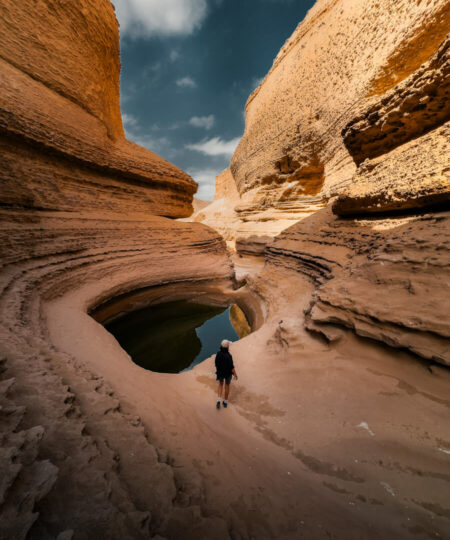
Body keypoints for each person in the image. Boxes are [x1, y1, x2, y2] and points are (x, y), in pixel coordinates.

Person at [215, 339, 238, 409]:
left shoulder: (218, 353)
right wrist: (235, 375)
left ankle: (218, 401)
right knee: (227, 386)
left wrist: (218, 370)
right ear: (227, 347)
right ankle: (225, 402)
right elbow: (232, 367)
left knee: (220, 384)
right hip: (228, 374)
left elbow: (216, 363)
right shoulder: (229, 356)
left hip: (220, 373)